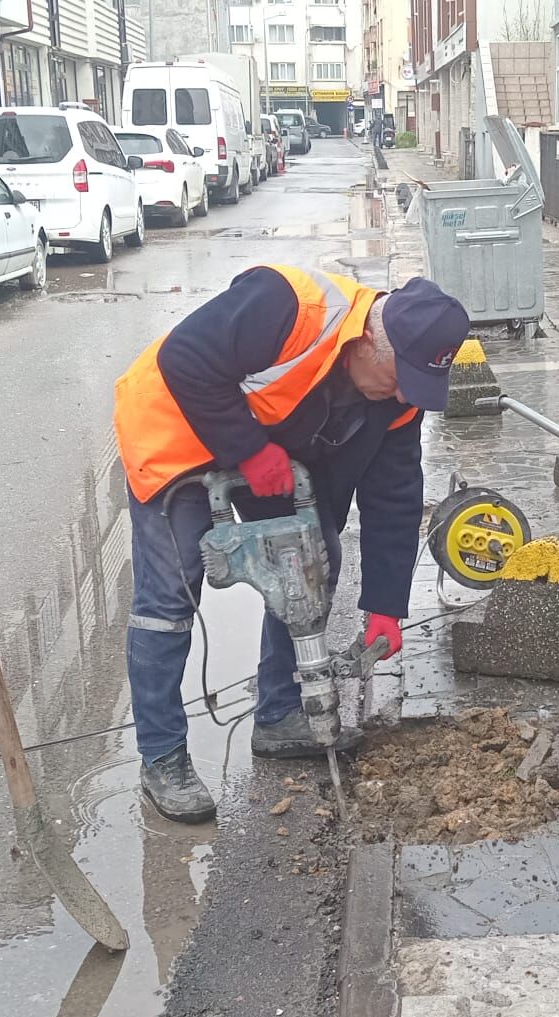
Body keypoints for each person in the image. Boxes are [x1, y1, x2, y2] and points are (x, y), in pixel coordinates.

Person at [113, 268, 469, 823]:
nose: (405, 395)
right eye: (401, 378)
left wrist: (385, 606)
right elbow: (183, 360)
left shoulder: (398, 397)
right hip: (177, 427)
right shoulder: (287, 307)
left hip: (264, 446)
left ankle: (279, 715)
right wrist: (249, 450)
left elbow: (394, 498)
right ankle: (162, 757)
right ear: (370, 340)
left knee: (312, 562)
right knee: (171, 594)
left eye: (419, 386)